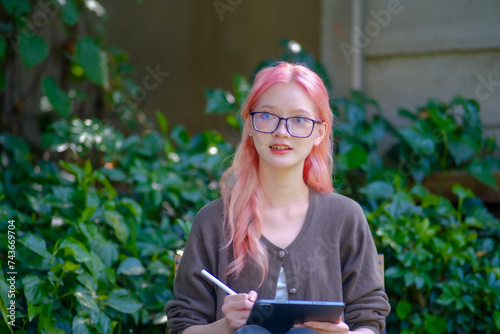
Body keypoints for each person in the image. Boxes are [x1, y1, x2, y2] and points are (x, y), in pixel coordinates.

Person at [165, 62, 390, 334]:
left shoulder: (345, 217)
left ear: (320, 132)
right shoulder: (213, 221)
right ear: (249, 124)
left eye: (299, 119)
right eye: (267, 116)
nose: (281, 131)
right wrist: (227, 326)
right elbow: (183, 327)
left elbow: (369, 319)